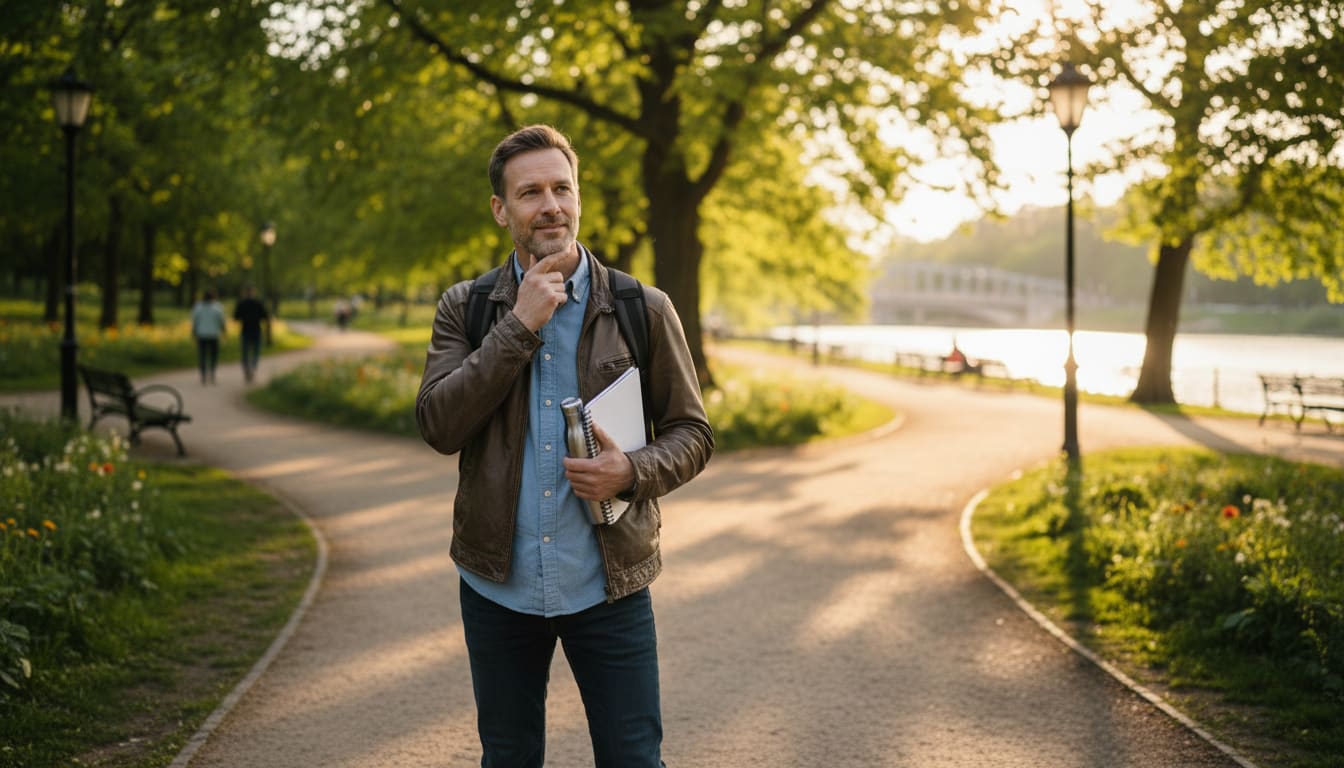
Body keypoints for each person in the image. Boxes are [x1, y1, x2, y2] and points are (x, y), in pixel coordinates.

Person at [416, 124, 714, 768]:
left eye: (561, 188)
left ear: (578, 198)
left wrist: (631, 470)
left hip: (609, 584)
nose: (550, 204)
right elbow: (439, 425)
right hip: (498, 583)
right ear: (502, 210)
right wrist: (518, 326)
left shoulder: (643, 307)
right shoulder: (466, 308)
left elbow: (694, 433)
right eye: (530, 193)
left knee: (635, 758)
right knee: (509, 757)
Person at [233, 285, 270, 383]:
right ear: (254, 292)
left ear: (245, 292)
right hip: (256, 330)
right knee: (256, 352)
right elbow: (265, 316)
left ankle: (247, 368)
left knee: (245, 352)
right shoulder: (259, 303)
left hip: (245, 330)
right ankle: (253, 367)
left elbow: (236, 317)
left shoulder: (242, 303)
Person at [190, 289, 227, 384]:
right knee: (213, 356)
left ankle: (203, 375)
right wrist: (224, 332)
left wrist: (193, 333)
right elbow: (222, 321)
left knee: (202, 356)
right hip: (214, 335)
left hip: (201, 334)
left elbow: (194, 321)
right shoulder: (218, 307)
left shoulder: (198, 307)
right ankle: (212, 373)